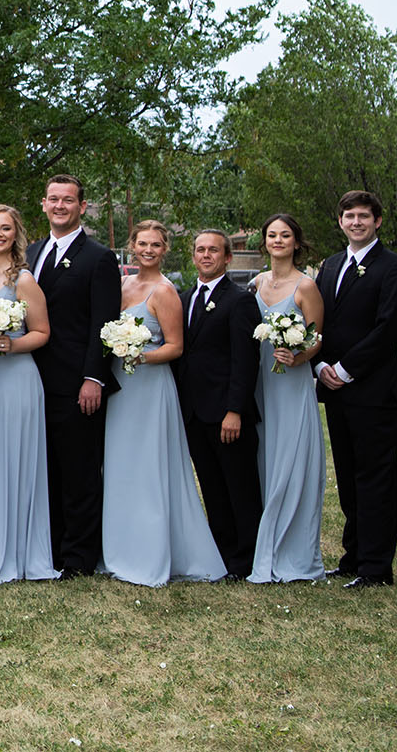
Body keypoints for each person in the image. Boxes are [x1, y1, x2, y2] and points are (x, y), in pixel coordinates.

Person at [99, 220, 224, 586]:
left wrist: (140, 356)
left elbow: (175, 346)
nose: (148, 250)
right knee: (121, 464)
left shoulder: (165, 291)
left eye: (156, 244)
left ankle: (152, 553)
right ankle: (119, 549)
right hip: (121, 386)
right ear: (132, 246)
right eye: (142, 243)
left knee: (149, 466)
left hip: (150, 386)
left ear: (165, 249)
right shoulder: (122, 285)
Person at [26, 173, 123, 578]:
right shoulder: (30, 253)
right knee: (45, 468)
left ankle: (79, 557)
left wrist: (93, 378)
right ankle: (49, 550)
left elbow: (104, 323)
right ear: (44, 205)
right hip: (32, 379)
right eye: (53, 199)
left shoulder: (98, 257)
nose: (60, 206)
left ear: (82, 207)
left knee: (79, 471)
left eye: (68, 200)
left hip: (75, 382)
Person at [316, 189, 397, 588]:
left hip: (374, 391)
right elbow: (319, 320)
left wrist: (345, 367)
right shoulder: (331, 264)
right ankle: (353, 557)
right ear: (340, 222)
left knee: (375, 480)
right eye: (349, 216)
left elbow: (388, 327)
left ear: (376, 222)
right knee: (350, 479)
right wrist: (320, 364)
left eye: (363, 216)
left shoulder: (393, 267)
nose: (356, 222)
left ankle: (377, 567)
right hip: (334, 388)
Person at [0, 203, 58, 584]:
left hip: (14, 376)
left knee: (7, 459)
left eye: (6, 228)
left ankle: (11, 553)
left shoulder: (22, 279)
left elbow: (42, 331)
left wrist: (13, 345)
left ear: (15, 233)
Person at [177, 227, 264, 581]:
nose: (206, 255)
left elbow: (246, 362)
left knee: (240, 488)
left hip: (226, 413)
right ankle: (223, 557)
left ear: (227, 257)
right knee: (212, 488)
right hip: (194, 413)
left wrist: (235, 410)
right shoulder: (183, 299)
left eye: (214, 250)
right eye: (200, 250)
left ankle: (246, 561)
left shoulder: (240, 300)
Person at [250, 213, 327, 583]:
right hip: (260, 383)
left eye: (285, 236)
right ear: (264, 242)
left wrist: (298, 356)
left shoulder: (306, 286)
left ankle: (294, 552)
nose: (277, 241)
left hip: (290, 383)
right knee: (265, 458)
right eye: (271, 235)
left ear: (296, 242)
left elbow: (316, 337)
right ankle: (264, 543)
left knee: (291, 461)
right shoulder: (257, 282)